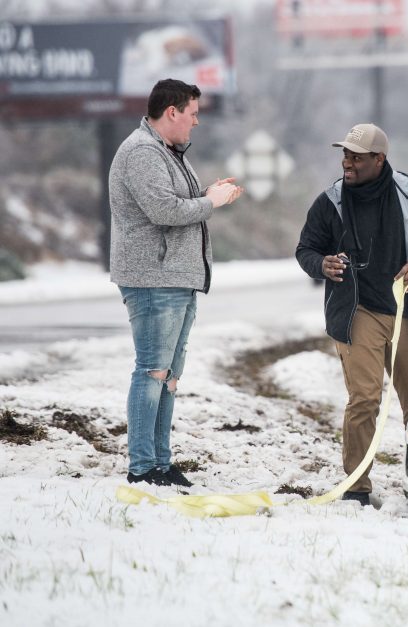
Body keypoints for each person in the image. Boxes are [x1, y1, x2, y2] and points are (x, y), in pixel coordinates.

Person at [296, 123, 408, 506]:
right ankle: (357, 487)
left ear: (379, 159)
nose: (347, 162)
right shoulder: (330, 201)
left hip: (407, 311)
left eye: (356, 157)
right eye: (344, 155)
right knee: (364, 398)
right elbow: (306, 249)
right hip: (357, 311)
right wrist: (322, 265)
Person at [109, 78, 242, 487]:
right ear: (172, 112)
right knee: (151, 371)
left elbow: (175, 202)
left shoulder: (166, 152)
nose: (196, 122)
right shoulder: (142, 152)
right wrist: (210, 203)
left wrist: (205, 193)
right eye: (193, 113)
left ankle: (161, 464)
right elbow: (164, 210)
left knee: (168, 375)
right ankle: (142, 467)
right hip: (153, 280)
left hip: (176, 278)